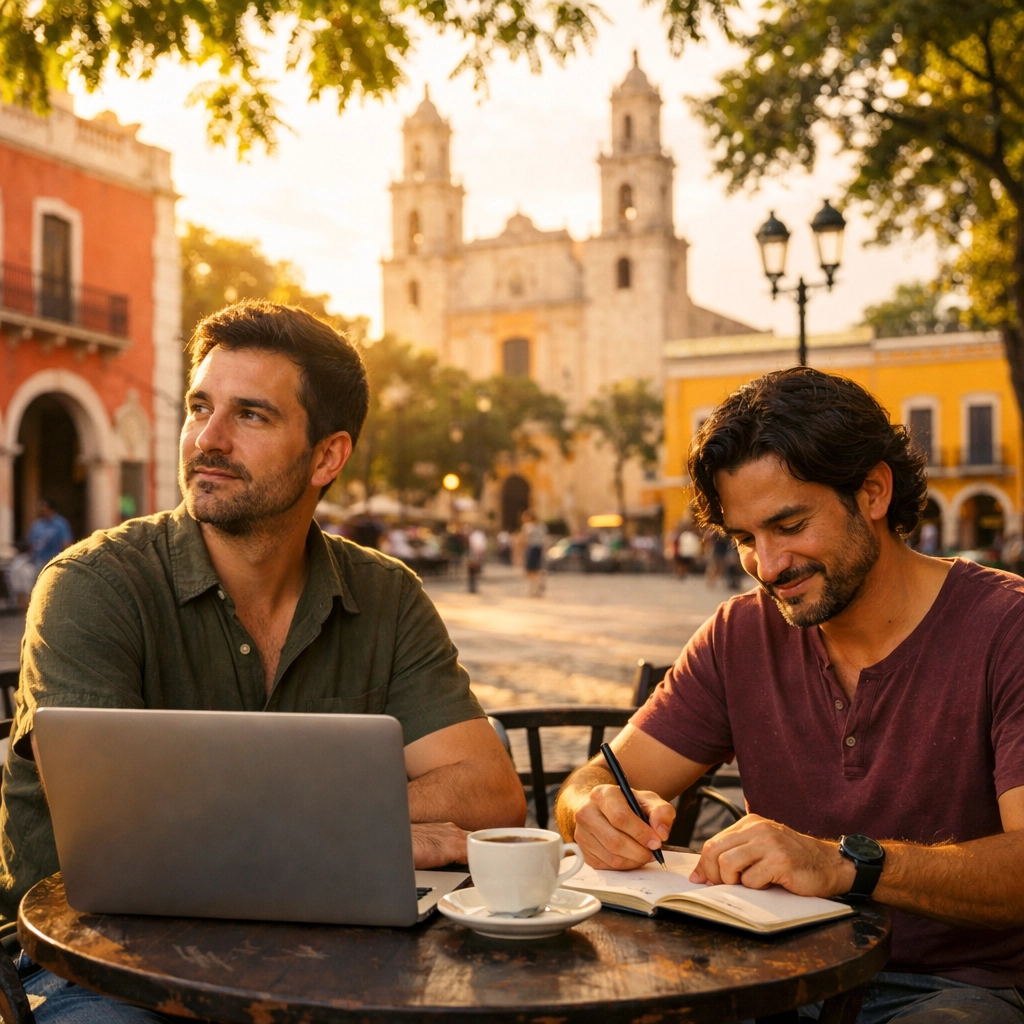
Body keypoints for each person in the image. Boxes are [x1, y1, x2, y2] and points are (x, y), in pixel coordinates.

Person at [3, 301, 526, 1024]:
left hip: (328, 952)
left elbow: (489, 793)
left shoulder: (385, 594)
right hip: (103, 961)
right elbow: (112, 832)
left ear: (327, 456)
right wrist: (360, 829)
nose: (207, 440)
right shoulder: (93, 585)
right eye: (199, 406)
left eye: (250, 415)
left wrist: (275, 827)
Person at [557, 367, 1024, 1024]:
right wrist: (594, 814)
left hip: (948, 991)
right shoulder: (738, 633)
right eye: (746, 539)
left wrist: (846, 864)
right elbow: (591, 784)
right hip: (766, 975)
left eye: (789, 524)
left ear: (872, 491)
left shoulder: (1007, 628)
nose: (768, 567)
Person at [26, 498, 73, 569]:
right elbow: (31, 543)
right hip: (39, 560)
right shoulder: (37, 524)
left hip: (55, 561)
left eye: (44, 506)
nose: (41, 509)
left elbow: (66, 542)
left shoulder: (60, 524)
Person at [520, 510, 547, 597]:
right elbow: (545, 539)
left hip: (531, 548)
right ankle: (539, 585)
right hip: (539, 549)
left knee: (530, 570)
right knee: (537, 569)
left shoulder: (527, 526)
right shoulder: (542, 527)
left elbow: (524, 540)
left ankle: (531, 589)